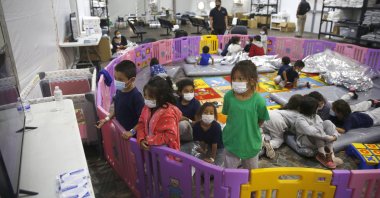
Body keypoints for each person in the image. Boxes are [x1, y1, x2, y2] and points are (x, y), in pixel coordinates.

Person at [222, 60, 270, 169]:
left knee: (251, 175)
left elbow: (261, 119)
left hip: (251, 143)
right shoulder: (229, 96)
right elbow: (227, 113)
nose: (236, 82)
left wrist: (251, 128)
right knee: (229, 173)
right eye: (233, 79)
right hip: (231, 141)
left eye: (240, 79)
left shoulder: (259, 101)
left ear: (252, 81)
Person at [96, 60, 144, 140]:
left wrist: (131, 132)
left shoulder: (136, 97)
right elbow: (117, 109)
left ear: (131, 80)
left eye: (120, 80)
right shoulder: (119, 90)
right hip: (122, 133)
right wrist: (106, 119)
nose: (117, 82)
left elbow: (143, 120)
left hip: (132, 137)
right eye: (115, 78)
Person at [136, 76, 182, 151]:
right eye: (145, 95)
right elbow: (141, 123)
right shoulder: (146, 107)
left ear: (161, 97)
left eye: (150, 97)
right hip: (149, 148)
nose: (146, 99)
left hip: (165, 152)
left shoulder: (168, 113)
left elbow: (171, 135)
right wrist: (141, 139)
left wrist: (149, 140)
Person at [294, 96, 341, 169]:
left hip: (319, 139)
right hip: (305, 140)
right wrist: (328, 138)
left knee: (327, 122)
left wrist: (335, 135)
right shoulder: (300, 119)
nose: (318, 109)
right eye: (316, 107)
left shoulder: (315, 116)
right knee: (316, 131)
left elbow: (324, 126)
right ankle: (322, 155)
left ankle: (331, 155)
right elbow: (311, 131)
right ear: (312, 109)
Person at [261, 94, 303, 158]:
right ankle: (267, 144)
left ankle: (262, 138)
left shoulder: (286, 108)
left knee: (265, 132)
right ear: (299, 107)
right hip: (276, 120)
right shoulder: (299, 115)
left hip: (268, 113)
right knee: (278, 140)